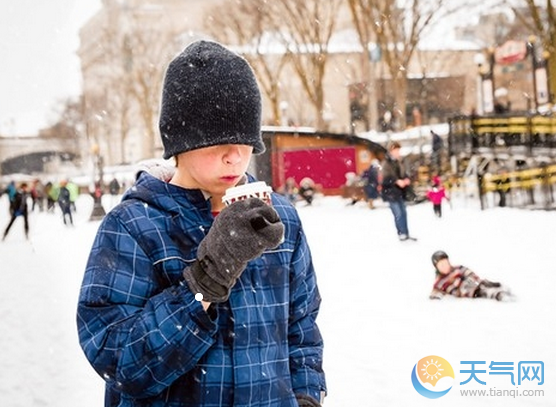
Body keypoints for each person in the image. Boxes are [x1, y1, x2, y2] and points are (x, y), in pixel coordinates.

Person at [76, 40, 326, 407]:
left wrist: (305, 395)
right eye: (218, 141)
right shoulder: (133, 226)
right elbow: (119, 360)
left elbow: (301, 326)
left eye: (244, 140)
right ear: (181, 141)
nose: (234, 156)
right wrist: (203, 284)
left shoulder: (279, 217)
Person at [429, 250, 513, 301]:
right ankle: (499, 295)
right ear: (437, 268)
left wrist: (474, 279)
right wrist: (435, 296)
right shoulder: (440, 281)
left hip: (474, 282)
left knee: (483, 284)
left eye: (446, 263)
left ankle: (501, 287)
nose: (445, 266)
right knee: (483, 292)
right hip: (466, 291)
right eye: (441, 265)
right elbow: (435, 291)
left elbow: (469, 272)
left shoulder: (457, 268)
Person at [380, 141, 415, 241]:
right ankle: (401, 233)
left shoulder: (401, 161)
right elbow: (385, 178)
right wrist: (396, 181)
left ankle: (406, 233)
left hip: (400, 192)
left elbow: (406, 173)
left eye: (398, 150)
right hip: (391, 192)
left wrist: (406, 179)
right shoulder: (386, 163)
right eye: (395, 150)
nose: (397, 152)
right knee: (398, 213)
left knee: (403, 213)